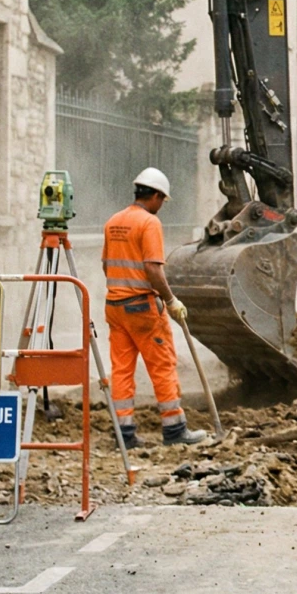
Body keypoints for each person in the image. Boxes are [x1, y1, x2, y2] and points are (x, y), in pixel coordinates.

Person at [102, 167, 208, 448]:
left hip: (114, 306)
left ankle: (124, 434)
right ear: (156, 196)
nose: (162, 205)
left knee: (121, 370)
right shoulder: (149, 223)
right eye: (162, 200)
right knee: (162, 366)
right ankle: (175, 430)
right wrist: (171, 300)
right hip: (141, 308)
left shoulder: (113, 221)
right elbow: (152, 268)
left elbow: (106, 265)